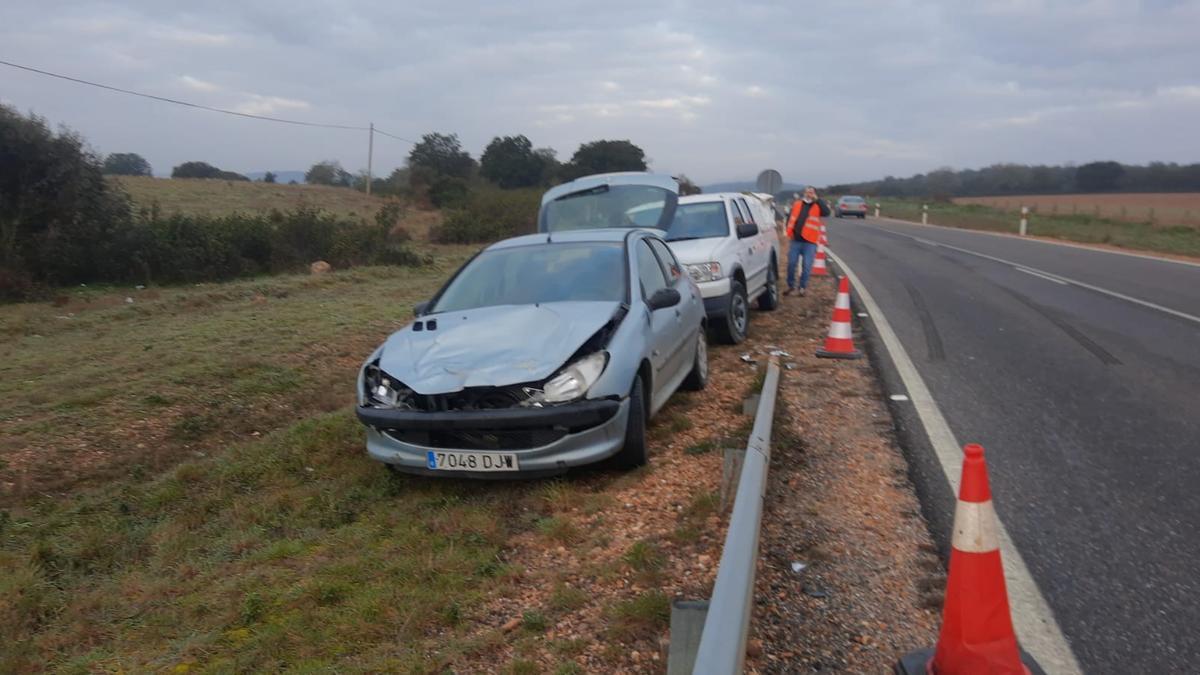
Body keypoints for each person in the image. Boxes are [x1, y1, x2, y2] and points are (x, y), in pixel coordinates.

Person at [784, 186, 830, 296]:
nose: (809, 194)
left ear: (814, 193)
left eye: (811, 192)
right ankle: (791, 286)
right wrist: (788, 230)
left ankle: (802, 288)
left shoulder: (818, 206)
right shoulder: (797, 204)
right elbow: (790, 218)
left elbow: (827, 212)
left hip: (810, 242)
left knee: (807, 266)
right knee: (791, 264)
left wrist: (817, 200)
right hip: (796, 240)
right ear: (804, 193)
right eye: (807, 192)